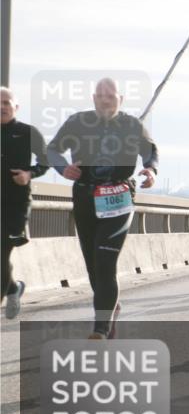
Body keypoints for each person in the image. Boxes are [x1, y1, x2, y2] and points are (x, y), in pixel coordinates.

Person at [47, 78, 158, 339]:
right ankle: (110, 306)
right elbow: (52, 150)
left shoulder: (132, 125)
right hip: (85, 195)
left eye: (110, 95)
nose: (105, 99)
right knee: (93, 265)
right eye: (100, 95)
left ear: (121, 99)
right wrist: (64, 168)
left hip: (118, 196)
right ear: (93, 98)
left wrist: (150, 170)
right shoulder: (77, 122)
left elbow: (150, 150)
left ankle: (100, 328)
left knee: (105, 258)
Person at [1, 87, 49, 319]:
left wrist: (29, 174)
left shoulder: (28, 132)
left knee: (2, 251)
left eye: (6, 103)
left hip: (16, 204)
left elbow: (47, 160)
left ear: (15, 107)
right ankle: (13, 288)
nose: (2, 107)